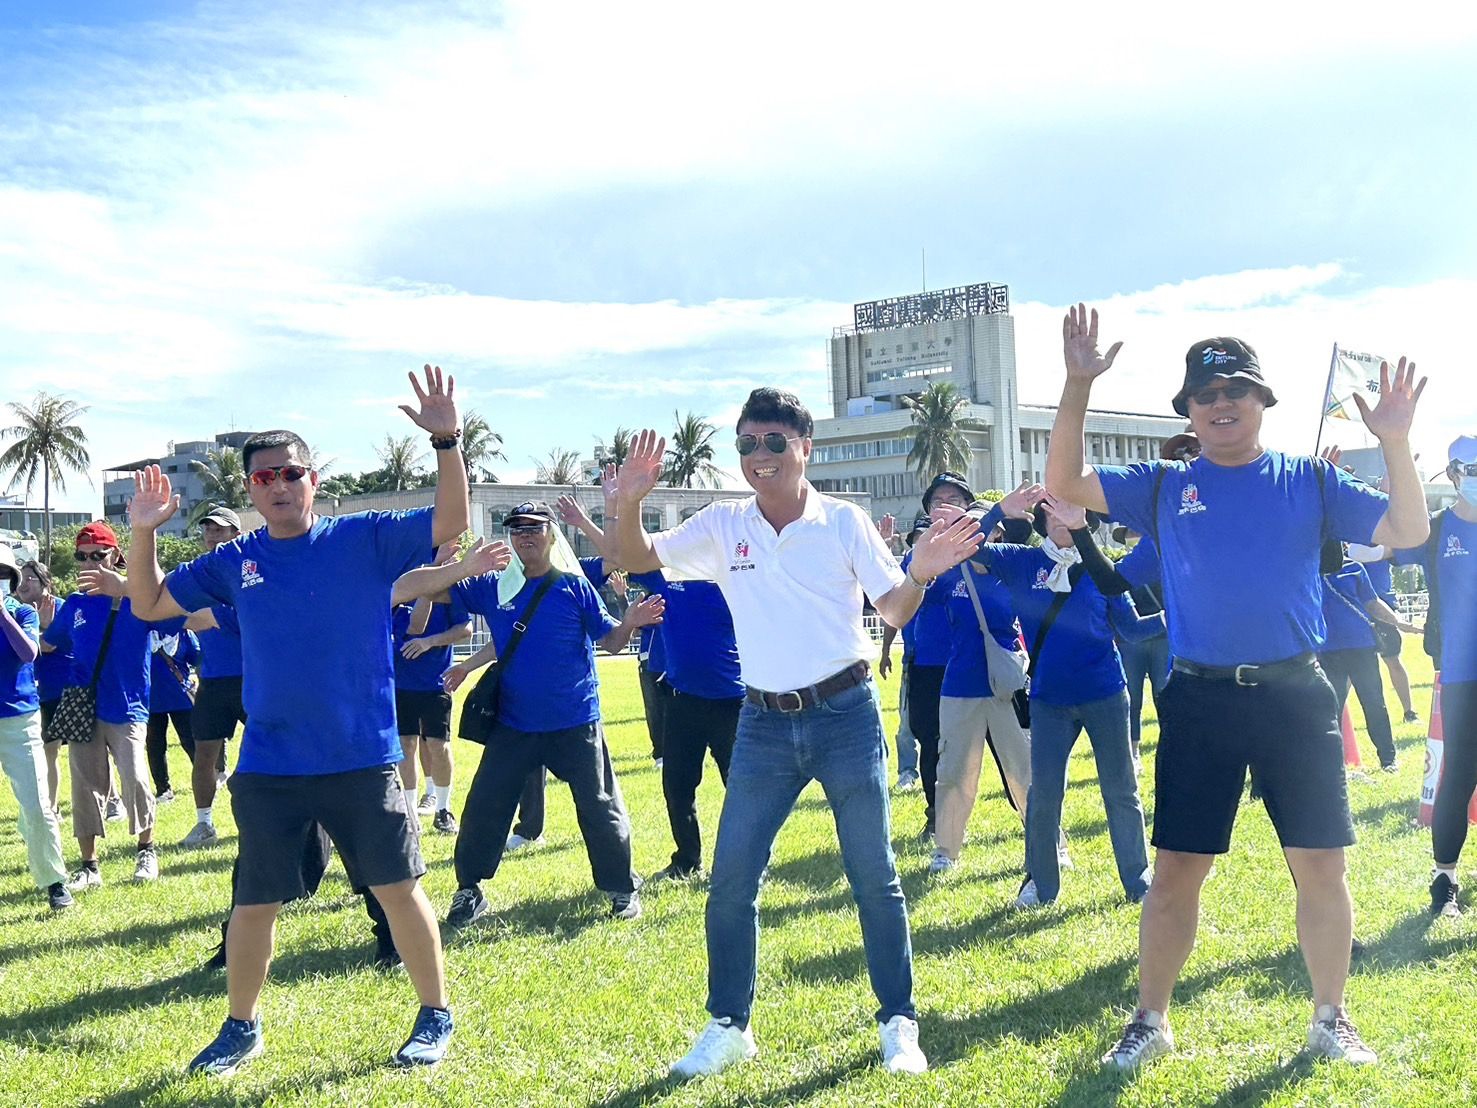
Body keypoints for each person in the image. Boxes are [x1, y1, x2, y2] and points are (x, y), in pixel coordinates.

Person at [1046, 306, 1428, 1068]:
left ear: (1261, 401)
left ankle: (1329, 1016)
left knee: (1320, 865)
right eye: (1205, 392)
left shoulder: (1309, 480)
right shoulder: (1162, 484)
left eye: (1236, 389)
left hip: (1295, 696)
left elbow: (1407, 529)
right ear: (1187, 408)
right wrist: (1077, 385)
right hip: (1199, 698)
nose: (1221, 402)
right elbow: (1062, 483)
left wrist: (1392, 441)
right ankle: (1149, 1020)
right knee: (1177, 870)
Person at [611, 388, 983, 1079]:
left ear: (804, 447)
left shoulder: (842, 521)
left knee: (873, 877)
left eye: (774, 443)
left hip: (844, 716)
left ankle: (897, 1022)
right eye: (747, 444)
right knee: (731, 883)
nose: (759, 457)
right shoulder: (723, 525)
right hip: (761, 724)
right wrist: (628, 501)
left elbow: (894, 606)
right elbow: (638, 560)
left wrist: (922, 571)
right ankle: (728, 1026)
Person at [124, 365, 481, 1073]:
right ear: (250, 491)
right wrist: (143, 535)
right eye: (263, 479)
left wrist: (447, 440)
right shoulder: (237, 560)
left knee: (398, 890)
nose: (278, 486)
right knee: (253, 905)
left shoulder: (365, 540)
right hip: (272, 764)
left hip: (361, 756)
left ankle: (434, 1014)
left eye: (290, 473)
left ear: (313, 480)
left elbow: (451, 523)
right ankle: (240, 1027)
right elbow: (148, 604)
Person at [436, 499, 661, 926]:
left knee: (598, 805)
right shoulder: (494, 586)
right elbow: (428, 589)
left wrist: (629, 620)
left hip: (574, 719)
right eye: (517, 529)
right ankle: (469, 890)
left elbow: (611, 642)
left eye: (534, 528)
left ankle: (620, 887)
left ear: (550, 535)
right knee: (484, 806)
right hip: (514, 723)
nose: (525, 536)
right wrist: (460, 564)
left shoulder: (573, 587)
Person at [965, 495, 1154, 908]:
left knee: (1121, 790)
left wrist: (1178, 616)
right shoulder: (1022, 562)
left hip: (1105, 693)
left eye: (1073, 510)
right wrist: (999, 511)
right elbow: (970, 545)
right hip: (1049, 699)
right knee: (1044, 796)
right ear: (1041, 519)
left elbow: (1133, 631)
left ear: (1086, 517)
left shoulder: (1102, 568)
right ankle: (1040, 885)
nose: (1064, 518)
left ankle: (1139, 881)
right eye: (1054, 511)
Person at [46, 522, 165, 888]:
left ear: (115, 556)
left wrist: (130, 587)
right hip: (84, 705)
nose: (88, 563)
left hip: (127, 705)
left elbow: (177, 605)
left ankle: (146, 851)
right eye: (81, 556)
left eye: (98, 555)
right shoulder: (75, 605)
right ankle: (89, 866)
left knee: (136, 779)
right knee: (84, 785)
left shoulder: (138, 599)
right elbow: (49, 643)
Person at [929, 487, 1040, 878]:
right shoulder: (950, 577)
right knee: (954, 773)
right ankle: (946, 850)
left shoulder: (1011, 571)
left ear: (996, 534)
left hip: (1005, 687)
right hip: (959, 685)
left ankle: (1048, 844)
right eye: (970, 526)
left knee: (1024, 771)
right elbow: (916, 578)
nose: (976, 533)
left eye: (982, 526)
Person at [1398, 434, 1477, 917]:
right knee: (1459, 775)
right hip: (1463, 675)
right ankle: (1444, 879)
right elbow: (1374, 547)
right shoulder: (1433, 532)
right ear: (1452, 475)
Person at [650, 569, 743, 882]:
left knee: (742, 788)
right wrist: (584, 522)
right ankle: (687, 860)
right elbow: (622, 553)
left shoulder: (734, 578)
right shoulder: (663, 576)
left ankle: (745, 860)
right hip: (681, 702)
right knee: (677, 787)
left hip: (731, 703)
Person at [0, 545, 72, 910]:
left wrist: (1, 614)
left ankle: (54, 881)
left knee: (39, 805)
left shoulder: (23, 612)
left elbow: (29, 652)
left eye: (1, 574)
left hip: (19, 718)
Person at [179, 506, 248, 848]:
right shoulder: (198, 575)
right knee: (204, 753)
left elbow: (251, 615)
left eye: (220, 530)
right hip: (214, 679)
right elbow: (176, 612)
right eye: (208, 530)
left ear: (236, 534)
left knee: (270, 748)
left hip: (255, 678)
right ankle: (204, 824)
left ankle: (274, 819)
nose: (213, 535)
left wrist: (214, 615)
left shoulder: (250, 569)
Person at [392, 541, 472, 836]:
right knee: (406, 746)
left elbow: (465, 629)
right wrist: (434, 572)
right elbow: (414, 626)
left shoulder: (452, 592)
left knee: (438, 745)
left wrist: (431, 642)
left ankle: (443, 808)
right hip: (402, 683)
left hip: (436, 681)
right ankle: (410, 811)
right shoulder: (402, 588)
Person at [1318, 553, 1419, 771]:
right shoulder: (1310, 568)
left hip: (1361, 647)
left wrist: (1398, 622)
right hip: (1326, 650)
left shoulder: (1355, 568)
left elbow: (1372, 602)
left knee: (1374, 703)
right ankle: (1332, 765)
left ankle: (1388, 758)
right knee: (1329, 709)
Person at [878, 517, 929, 791]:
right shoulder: (904, 571)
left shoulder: (945, 567)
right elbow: (891, 615)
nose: (923, 541)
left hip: (943, 661)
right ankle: (907, 771)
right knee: (906, 722)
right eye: (918, 537)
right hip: (912, 658)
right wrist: (885, 650)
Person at [15, 560, 70, 813]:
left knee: (88, 748)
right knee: (49, 751)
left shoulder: (59, 608)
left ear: (44, 582)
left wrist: (45, 627)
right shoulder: (18, 611)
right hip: (40, 692)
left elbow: (48, 646)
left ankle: (112, 799)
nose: (23, 583)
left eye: (30, 578)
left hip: (66, 688)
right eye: (20, 578)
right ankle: (52, 807)